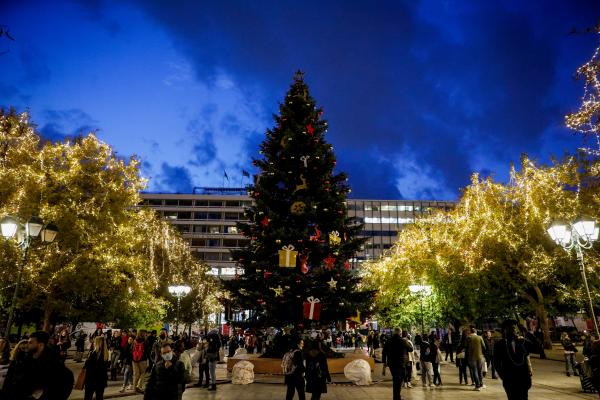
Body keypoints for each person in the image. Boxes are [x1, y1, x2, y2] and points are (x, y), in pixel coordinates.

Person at [494, 319, 535, 400]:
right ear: (505, 330)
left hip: (523, 380)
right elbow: (497, 363)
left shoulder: (522, 342)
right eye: (511, 328)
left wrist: (527, 332)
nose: (514, 330)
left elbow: (538, 347)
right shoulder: (500, 345)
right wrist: (504, 377)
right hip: (510, 382)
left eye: (515, 328)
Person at [382, 328, 413, 400]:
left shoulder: (389, 341)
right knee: (398, 381)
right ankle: (396, 397)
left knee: (396, 380)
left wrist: (384, 364)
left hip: (392, 364)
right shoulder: (403, 341)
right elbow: (411, 349)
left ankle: (397, 397)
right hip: (401, 364)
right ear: (400, 333)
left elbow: (384, 353)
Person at [83, 335, 109, 400]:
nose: (93, 343)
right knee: (99, 397)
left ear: (97, 343)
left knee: (88, 397)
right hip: (101, 381)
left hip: (91, 380)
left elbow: (87, 366)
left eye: (95, 342)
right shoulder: (106, 354)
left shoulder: (93, 353)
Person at [466, 326, 486, 390]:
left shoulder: (468, 338)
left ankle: (477, 386)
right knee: (480, 370)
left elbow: (466, 347)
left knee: (474, 371)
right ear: (476, 332)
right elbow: (484, 347)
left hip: (472, 357)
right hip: (480, 356)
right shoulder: (480, 337)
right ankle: (481, 384)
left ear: (470, 332)